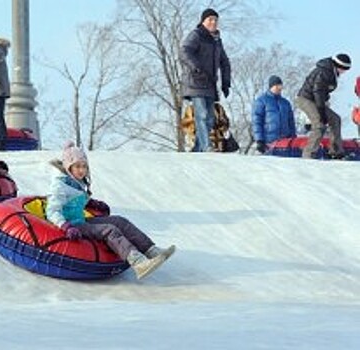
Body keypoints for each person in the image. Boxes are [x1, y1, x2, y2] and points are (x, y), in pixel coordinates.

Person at [45, 142, 175, 280]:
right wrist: (66, 226)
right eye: (77, 166)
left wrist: (93, 203)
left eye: (84, 166)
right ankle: (138, 263)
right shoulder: (59, 185)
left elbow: (75, 201)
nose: (81, 170)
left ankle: (152, 251)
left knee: (119, 221)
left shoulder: (77, 182)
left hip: (80, 220)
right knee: (109, 229)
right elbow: (52, 211)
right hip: (71, 226)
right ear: (68, 167)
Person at [179, 8, 231, 152]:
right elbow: (184, 50)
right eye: (210, 20)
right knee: (201, 115)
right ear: (203, 21)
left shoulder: (217, 41)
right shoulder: (196, 35)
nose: (213, 22)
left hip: (209, 83)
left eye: (215, 20)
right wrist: (196, 68)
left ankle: (198, 149)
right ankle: (207, 146)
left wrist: (226, 83)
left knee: (210, 119)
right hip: (195, 82)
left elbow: (224, 62)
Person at [295, 54, 351, 159]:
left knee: (335, 119)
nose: (344, 72)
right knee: (319, 124)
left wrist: (324, 105)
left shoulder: (331, 72)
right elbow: (318, 91)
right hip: (305, 99)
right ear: (339, 65)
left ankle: (336, 151)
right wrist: (321, 111)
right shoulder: (324, 71)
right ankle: (309, 154)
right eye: (344, 69)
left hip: (317, 100)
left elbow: (323, 93)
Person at [252, 75, 296, 154]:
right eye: (277, 86)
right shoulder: (261, 101)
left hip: (285, 143)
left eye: (281, 86)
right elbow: (257, 121)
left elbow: (291, 122)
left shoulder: (285, 103)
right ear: (271, 86)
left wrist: (293, 138)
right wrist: (259, 140)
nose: (280, 88)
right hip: (268, 143)